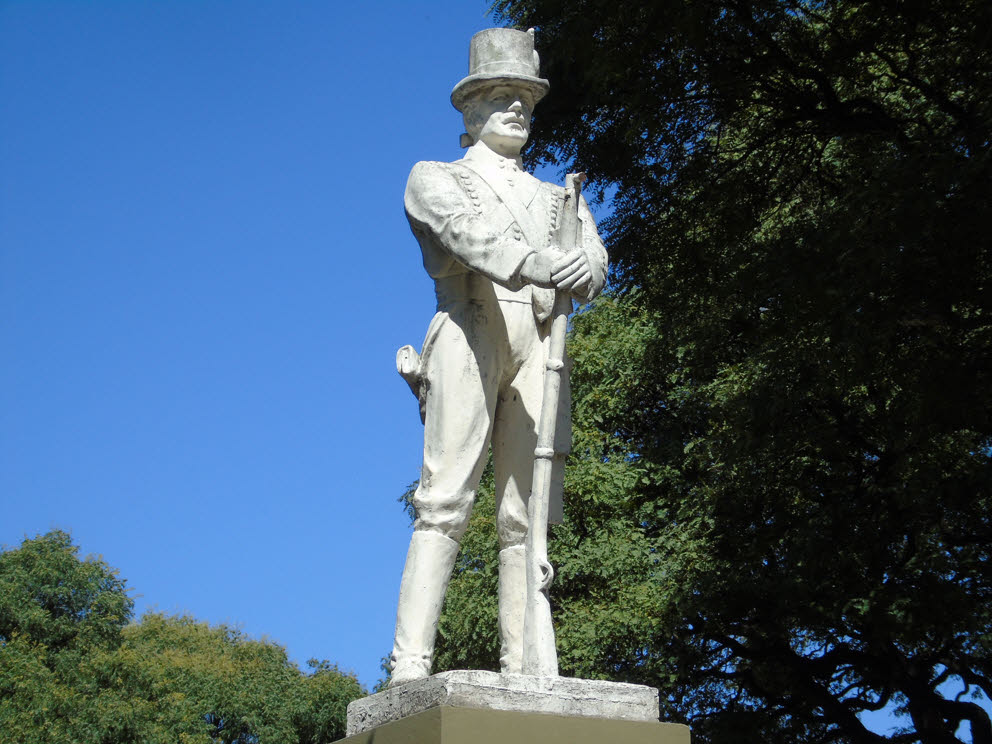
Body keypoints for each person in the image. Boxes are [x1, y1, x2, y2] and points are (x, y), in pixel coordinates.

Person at [389, 27, 608, 685]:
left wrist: (586, 268)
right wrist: (541, 263)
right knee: (444, 501)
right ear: (470, 109)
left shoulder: (558, 197)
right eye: (500, 95)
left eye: (525, 98)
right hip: (471, 328)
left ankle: (527, 665)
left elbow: (595, 260)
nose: (516, 107)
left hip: (542, 346)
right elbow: (467, 237)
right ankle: (410, 663)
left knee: (526, 516)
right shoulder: (436, 177)